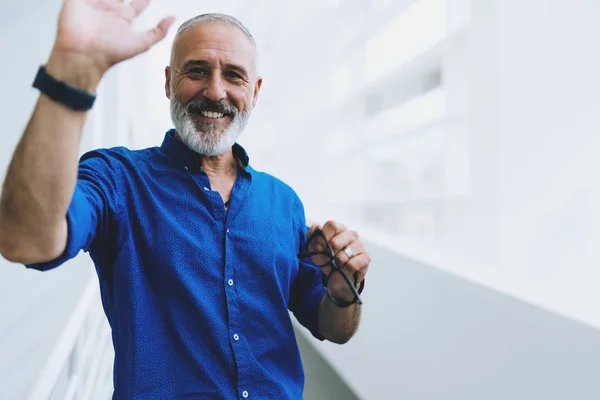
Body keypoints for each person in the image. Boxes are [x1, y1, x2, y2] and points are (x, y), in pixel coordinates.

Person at [0, 0, 371, 398]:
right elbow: (26, 240)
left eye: (233, 75)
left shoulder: (284, 202)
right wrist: (72, 72)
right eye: (196, 70)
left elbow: (333, 326)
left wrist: (345, 289)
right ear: (168, 81)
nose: (215, 91)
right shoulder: (119, 180)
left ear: (255, 91)